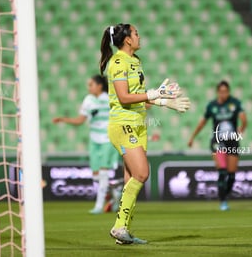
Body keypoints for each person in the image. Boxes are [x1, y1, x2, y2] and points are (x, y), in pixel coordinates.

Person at [100, 23, 190, 244]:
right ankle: (119, 226)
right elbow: (123, 98)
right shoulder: (119, 62)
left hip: (138, 124)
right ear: (127, 40)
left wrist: (162, 102)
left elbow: (139, 97)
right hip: (123, 125)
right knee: (142, 173)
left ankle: (123, 232)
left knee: (131, 178)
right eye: (136, 33)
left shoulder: (135, 62)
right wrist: (154, 93)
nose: (139, 37)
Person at [52, 74, 120, 214]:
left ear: (99, 86)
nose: (89, 87)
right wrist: (64, 119)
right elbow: (80, 120)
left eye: (91, 84)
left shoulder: (110, 98)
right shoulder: (88, 100)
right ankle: (115, 191)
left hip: (108, 139)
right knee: (96, 176)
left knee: (103, 173)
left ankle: (99, 206)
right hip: (94, 140)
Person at [188, 80, 247, 211]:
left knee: (231, 175)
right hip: (217, 141)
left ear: (229, 92)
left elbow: (244, 119)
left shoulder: (235, 103)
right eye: (221, 91)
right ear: (217, 92)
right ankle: (223, 201)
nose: (223, 94)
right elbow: (202, 123)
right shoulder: (212, 106)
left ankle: (225, 196)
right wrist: (192, 137)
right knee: (222, 171)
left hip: (232, 140)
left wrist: (241, 129)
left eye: (225, 91)